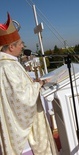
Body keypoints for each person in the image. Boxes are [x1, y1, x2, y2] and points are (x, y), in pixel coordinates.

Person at [0, 13, 58, 155]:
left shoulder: (9, 63)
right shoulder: (6, 67)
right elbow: (21, 98)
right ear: (11, 47)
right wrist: (37, 85)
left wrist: (33, 83)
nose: (22, 46)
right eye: (20, 44)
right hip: (23, 134)